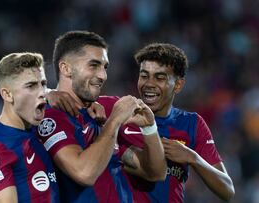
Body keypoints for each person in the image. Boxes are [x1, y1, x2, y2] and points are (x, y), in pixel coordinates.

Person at [37, 30, 166, 203]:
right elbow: (84, 173)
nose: (103, 75)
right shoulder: (50, 116)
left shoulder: (99, 112)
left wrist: (150, 128)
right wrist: (114, 121)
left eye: (105, 67)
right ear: (66, 68)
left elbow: (156, 173)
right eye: (93, 65)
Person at [99, 43, 235, 202]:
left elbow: (227, 190)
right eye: (144, 75)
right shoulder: (118, 108)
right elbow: (76, 100)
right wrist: (61, 96)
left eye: (160, 77)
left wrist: (193, 157)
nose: (149, 83)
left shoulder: (192, 123)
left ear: (178, 85)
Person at [0, 52, 59, 203]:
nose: (42, 93)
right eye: (31, 86)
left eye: (43, 84)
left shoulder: (38, 126)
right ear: (7, 95)